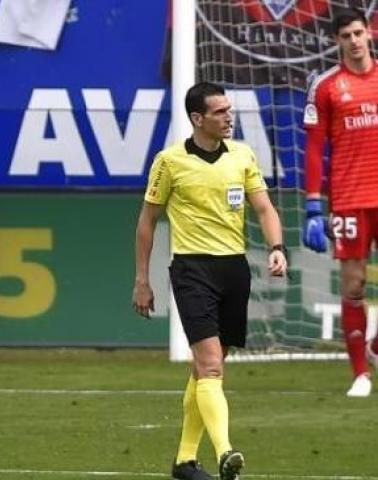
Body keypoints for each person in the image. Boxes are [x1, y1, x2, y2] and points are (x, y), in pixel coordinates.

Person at [133, 82, 287, 480]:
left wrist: (277, 246)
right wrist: (142, 280)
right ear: (198, 119)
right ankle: (226, 453)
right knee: (212, 366)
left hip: (234, 270)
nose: (228, 117)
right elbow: (148, 222)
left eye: (229, 110)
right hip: (192, 270)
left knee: (206, 371)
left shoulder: (242, 156)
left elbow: (265, 207)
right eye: (219, 112)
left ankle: (185, 461)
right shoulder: (169, 162)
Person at [302, 7, 378, 398]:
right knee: (354, 285)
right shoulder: (326, 86)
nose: (354, 41)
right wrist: (313, 205)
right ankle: (361, 374)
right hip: (349, 198)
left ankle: (375, 347)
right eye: (346, 35)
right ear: (337, 41)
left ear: (369, 33)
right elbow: (314, 148)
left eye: (358, 33)